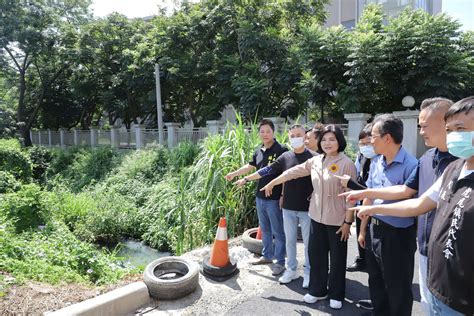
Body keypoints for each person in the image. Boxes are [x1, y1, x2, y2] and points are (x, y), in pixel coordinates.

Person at [353, 96, 474, 315]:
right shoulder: (447, 166)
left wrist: (371, 205)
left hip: (461, 269)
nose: (420, 131)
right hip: (431, 253)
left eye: (460, 128)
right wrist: (369, 204)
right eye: (451, 128)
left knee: (400, 290)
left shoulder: (444, 163)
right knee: (430, 305)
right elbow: (415, 200)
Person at [261, 125, 357, 310]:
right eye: (324, 140)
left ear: (339, 141)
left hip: (337, 220)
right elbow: (292, 172)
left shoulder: (346, 163)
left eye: (332, 139)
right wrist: (273, 182)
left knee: (337, 259)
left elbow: (351, 197)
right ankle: (317, 289)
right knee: (316, 256)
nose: (327, 143)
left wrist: (348, 222)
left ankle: (336, 294)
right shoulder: (316, 161)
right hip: (315, 217)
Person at [235, 124, 318, 287]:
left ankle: (308, 271)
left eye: (299, 135)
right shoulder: (286, 156)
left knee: (309, 242)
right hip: (288, 206)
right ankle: (291, 270)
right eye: (292, 135)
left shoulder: (315, 157)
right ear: (289, 137)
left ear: (305, 137)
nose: (296, 138)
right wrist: (245, 179)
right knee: (290, 241)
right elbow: (266, 170)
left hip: (308, 208)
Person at [353, 114, 418, 316]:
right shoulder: (376, 162)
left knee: (398, 284)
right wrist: (363, 231)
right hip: (375, 228)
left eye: (373, 136)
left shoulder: (412, 165)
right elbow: (369, 197)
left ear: (387, 138)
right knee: (376, 279)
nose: (370, 141)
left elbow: (409, 199)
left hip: (398, 234)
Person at [224, 119, 288, 274]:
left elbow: (287, 174)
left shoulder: (281, 150)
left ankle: (280, 261)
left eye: (268, 131)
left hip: (274, 197)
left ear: (273, 132)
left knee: (278, 231)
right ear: (259, 133)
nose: (265, 134)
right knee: (265, 228)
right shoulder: (259, 151)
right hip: (260, 196)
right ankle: (267, 256)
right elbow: (250, 166)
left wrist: (283, 195)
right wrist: (234, 174)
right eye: (262, 131)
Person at [345, 123, 377, 273]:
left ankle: (373, 262)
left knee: (371, 236)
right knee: (360, 232)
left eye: (368, 143)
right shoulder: (362, 157)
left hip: (375, 205)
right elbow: (357, 176)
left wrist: (352, 185)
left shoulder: (381, 160)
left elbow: (374, 190)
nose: (365, 147)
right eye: (362, 143)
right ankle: (362, 259)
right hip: (360, 202)